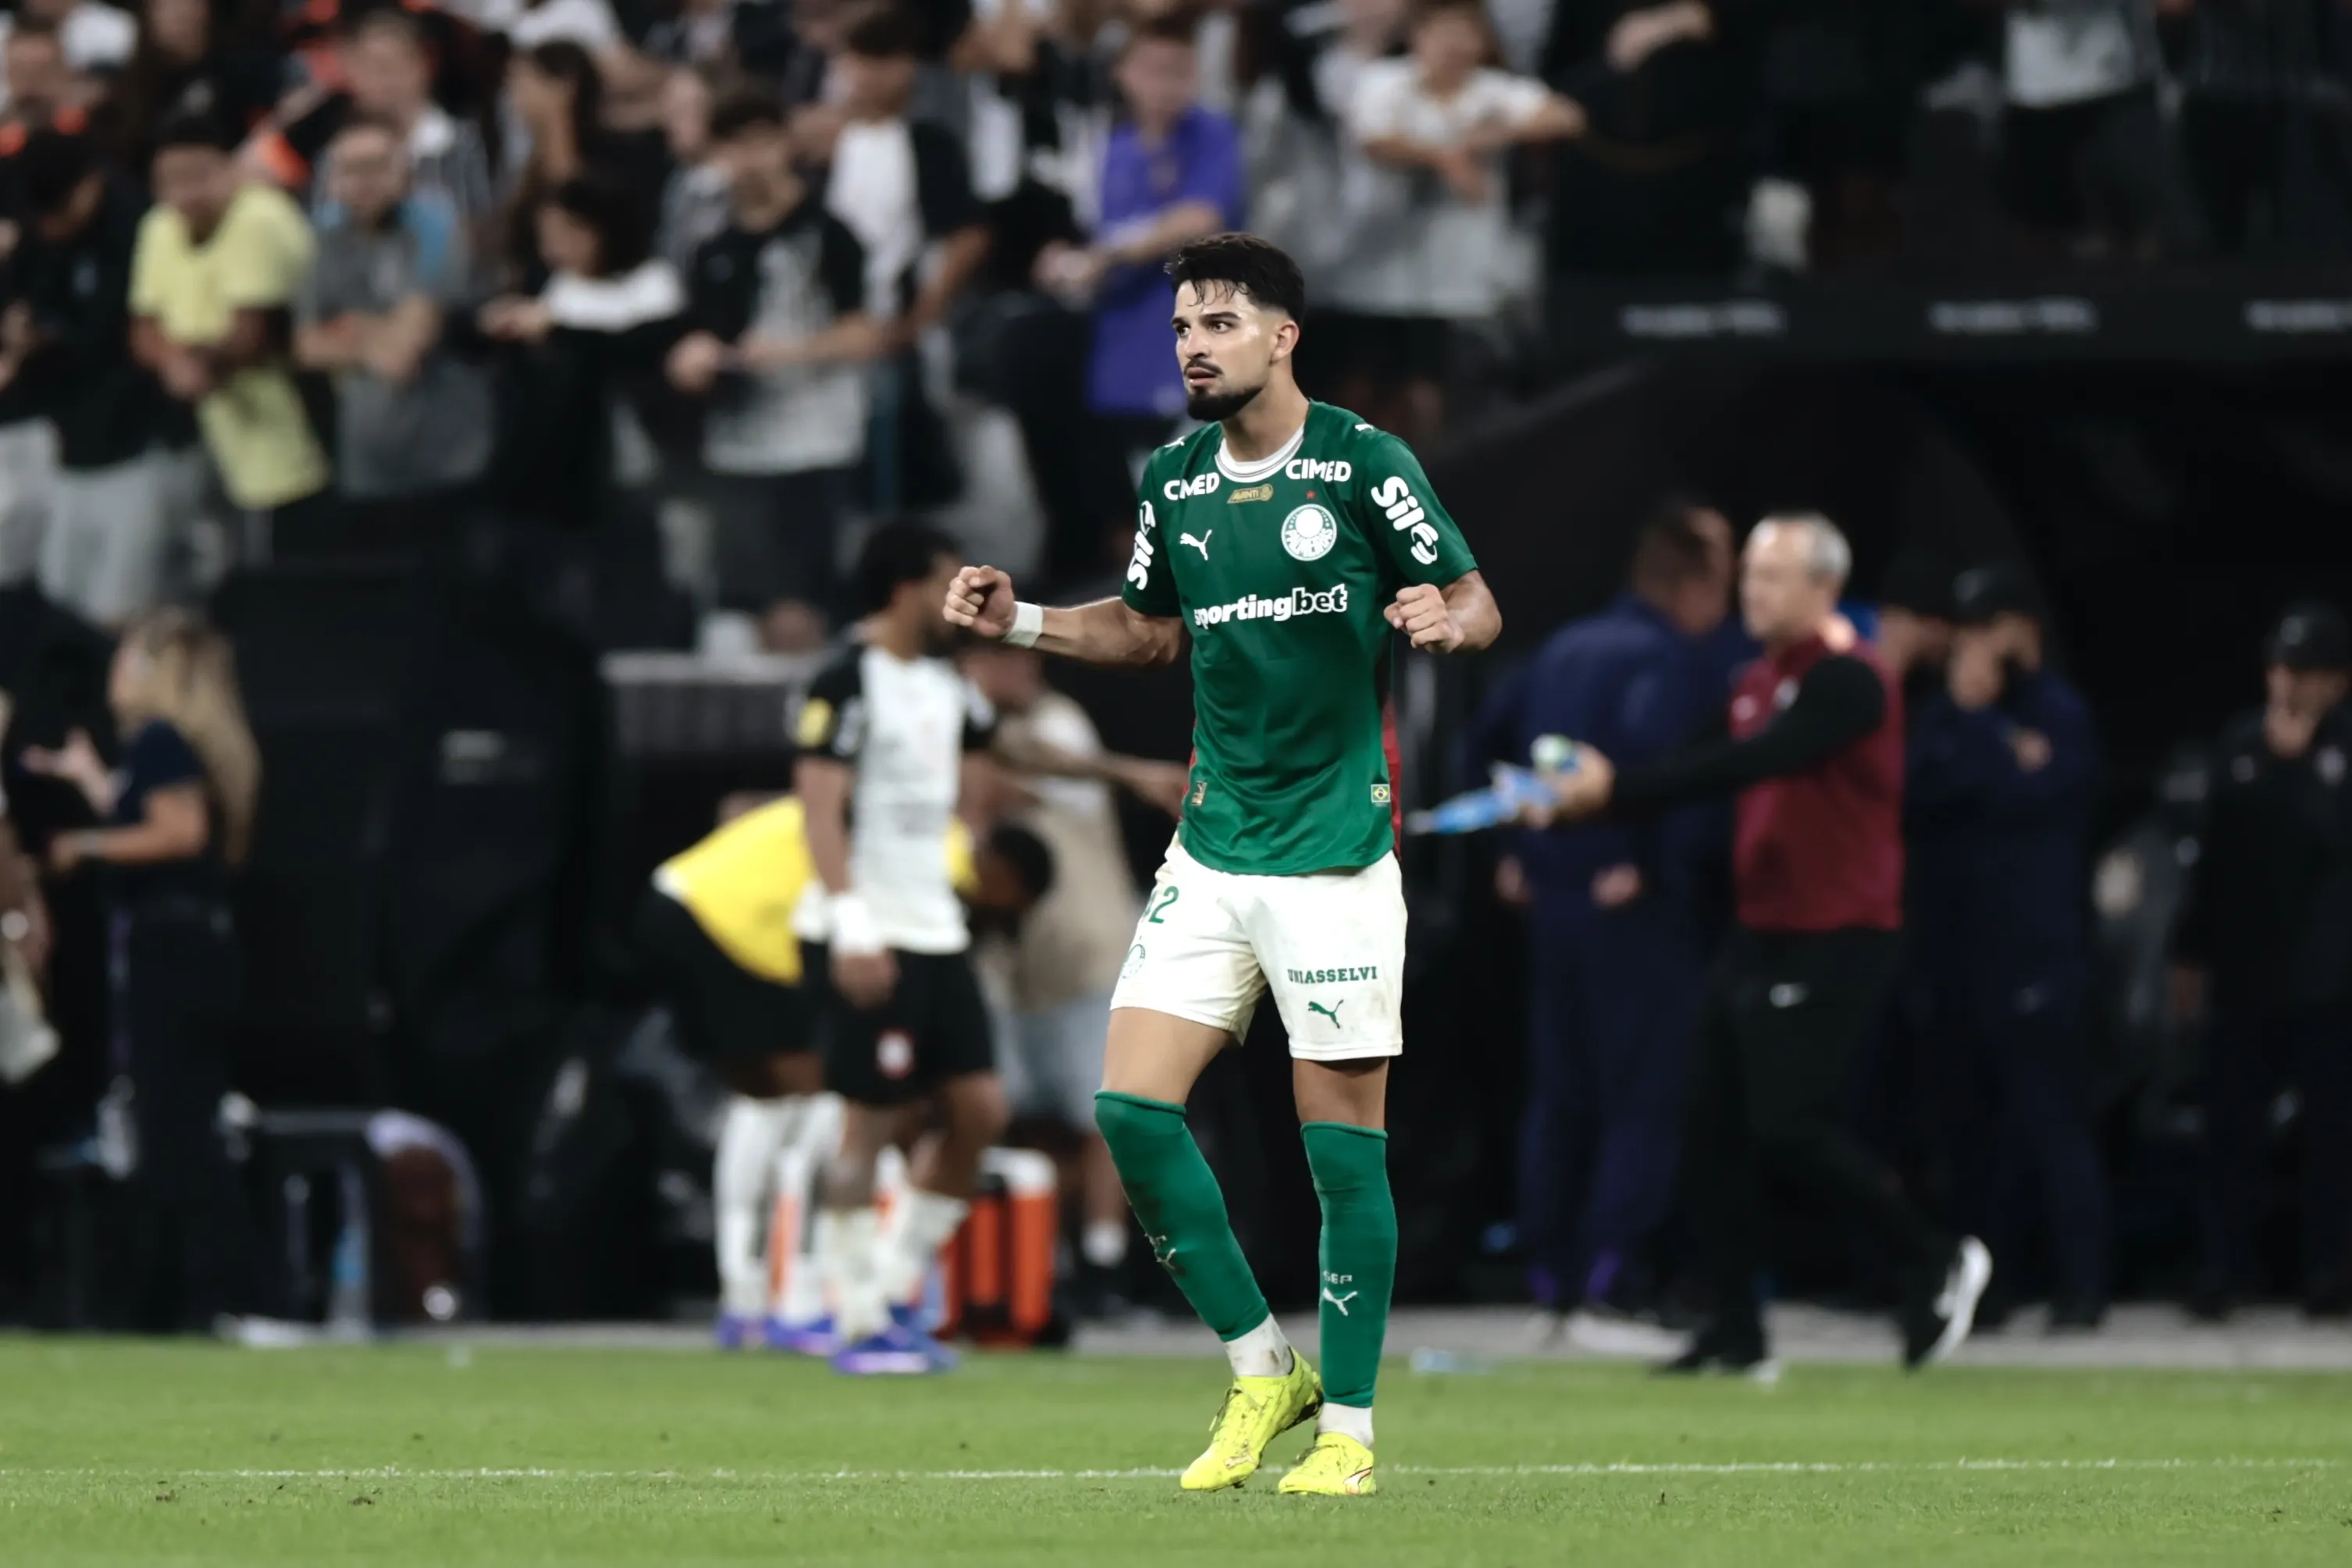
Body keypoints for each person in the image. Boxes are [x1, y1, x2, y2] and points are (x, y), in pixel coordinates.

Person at [945, 233, 1500, 1496]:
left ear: (1280, 335)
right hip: (1212, 844)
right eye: (1182, 326)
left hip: (1334, 856)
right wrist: (1022, 617)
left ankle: (1349, 1429)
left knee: (1339, 1151)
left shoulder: (1364, 464)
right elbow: (1146, 633)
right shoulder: (1177, 477)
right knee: (1130, 1114)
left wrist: (1437, 616)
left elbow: (1474, 598)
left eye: (1217, 323)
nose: (1192, 344)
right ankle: (1265, 1367)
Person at [1539, 512, 1991, 1377]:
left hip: (1839, 936)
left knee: (1788, 1125)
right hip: (1763, 932)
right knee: (1705, 1125)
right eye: (1750, 572)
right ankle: (1737, 1332)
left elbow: (1745, 765)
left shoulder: (1850, 681)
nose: (1754, 590)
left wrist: (1614, 787)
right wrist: (1581, 799)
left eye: (1773, 575)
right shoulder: (1755, 679)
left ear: (1824, 587)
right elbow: (1688, 761)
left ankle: (1936, 1253)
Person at [1475, 502, 1724, 1347]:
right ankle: (1608, 1286)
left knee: (1560, 1092)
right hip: (1630, 906)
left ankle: (1550, 1281)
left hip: (1552, 903)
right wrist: (1650, 862)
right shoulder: (1668, 658)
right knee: (1643, 1093)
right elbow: (1670, 772)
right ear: (1692, 582)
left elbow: (1487, 740)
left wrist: (1512, 847)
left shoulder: (1561, 647)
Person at [795, 521, 1013, 1376]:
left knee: (980, 1111)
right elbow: (818, 804)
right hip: (870, 927)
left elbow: (1009, 750)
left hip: (935, 925)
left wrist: (1122, 774)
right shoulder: (845, 677)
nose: (954, 598)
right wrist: (850, 917)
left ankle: (890, 1285)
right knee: (871, 1117)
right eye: (942, 582)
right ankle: (852, 1314)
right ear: (903, 588)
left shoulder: (948, 683)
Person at [23, 610, 265, 1332]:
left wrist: (87, 843)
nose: (113, 671)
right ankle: (205, 1298)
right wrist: (96, 783)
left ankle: (240, 1295)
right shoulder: (164, 750)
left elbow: (177, 832)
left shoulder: (162, 741)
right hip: (192, 951)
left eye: (127, 657)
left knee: (178, 1136)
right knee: (174, 1131)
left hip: (173, 955)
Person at [962, 638, 1190, 1315]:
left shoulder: (1056, 722)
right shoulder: (972, 726)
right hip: (1019, 963)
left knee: (1102, 1114)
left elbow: (1014, 779)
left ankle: (1104, 1260)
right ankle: (1045, 1260)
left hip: (1088, 948)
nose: (1025, 671)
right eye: (1004, 660)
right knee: (1035, 1122)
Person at [1907, 564, 2109, 1327]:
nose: (1974, 644)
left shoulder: (2056, 710)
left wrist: (1985, 732)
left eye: (1987, 626)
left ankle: (2082, 1285)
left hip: (2036, 949)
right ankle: (1985, 1288)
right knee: (1966, 1134)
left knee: (2052, 1122)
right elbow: (1915, 797)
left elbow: (2045, 795)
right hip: (1957, 949)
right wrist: (1978, 731)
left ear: (2020, 629)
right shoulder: (1942, 714)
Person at [2174, 602, 2352, 1317]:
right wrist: (2188, 952)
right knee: (2228, 1133)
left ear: (2337, 679)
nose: (2288, 684)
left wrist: (2296, 769)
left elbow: (2334, 842)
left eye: (2304, 671)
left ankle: (2328, 1271)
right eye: (2279, 668)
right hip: (2246, 973)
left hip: (2331, 979)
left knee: (2331, 1138)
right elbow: (2214, 861)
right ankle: (2223, 1268)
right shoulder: (2241, 742)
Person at [665, 88, 879, 643]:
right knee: (738, 608)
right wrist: (694, 355)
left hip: (814, 442)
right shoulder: (709, 242)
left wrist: (792, 351)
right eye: (736, 146)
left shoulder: (829, 233)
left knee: (801, 610)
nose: (750, 159)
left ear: (785, 145)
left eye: (762, 143)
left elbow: (865, 333)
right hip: (736, 443)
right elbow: (695, 325)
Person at [1325, 0, 1581, 441]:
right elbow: (1374, 139)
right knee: (1366, 386)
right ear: (1417, 36)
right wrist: (1447, 159)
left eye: (1467, 33)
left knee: (1442, 395)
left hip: (1461, 278)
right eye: (1442, 32)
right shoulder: (1384, 81)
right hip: (1379, 266)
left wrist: (1490, 136)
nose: (1454, 46)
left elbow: (1566, 116)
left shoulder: (1494, 90)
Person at [1035, 13, 1241, 517]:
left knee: (1214, 504)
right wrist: (1061, 264)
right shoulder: (1107, 149)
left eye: (1180, 70)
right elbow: (1079, 235)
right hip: (1123, 352)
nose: (1168, 84)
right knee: (1151, 505)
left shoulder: (1212, 135)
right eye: (1154, 69)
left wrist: (1105, 255)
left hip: (1202, 349)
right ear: (1122, 74)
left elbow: (1200, 216)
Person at [128, 109, 332, 551]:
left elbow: (251, 334)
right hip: (213, 427)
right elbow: (144, 327)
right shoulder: (158, 226)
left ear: (233, 167)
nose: (185, 194)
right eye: (170, 181)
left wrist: (189, 364)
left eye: (199, 176)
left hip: (296, 424)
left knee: (286, 563)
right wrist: (175, 363)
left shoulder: (261, 216)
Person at [294, 115, 494, 522]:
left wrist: (350, 327)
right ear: (331, 178)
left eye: (378, 166)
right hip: (365, 460)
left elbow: (411, 342)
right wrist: (369, 340)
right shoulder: (323, 239)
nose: (365, 181)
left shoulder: (438, 224)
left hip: (448, 453)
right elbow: (306, 346)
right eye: (351, 170)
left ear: (404, 169)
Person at [9, 127, 168, 628]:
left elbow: (109, 334)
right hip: (64, 445)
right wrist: (19, 320)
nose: (49, 228)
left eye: (58, 216)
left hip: (136, 440)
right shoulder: (41, 225)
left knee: (118, 604)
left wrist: (45, 339)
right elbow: (24, 285)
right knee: (57, 595)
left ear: (87, 189)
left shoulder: (136, 226)